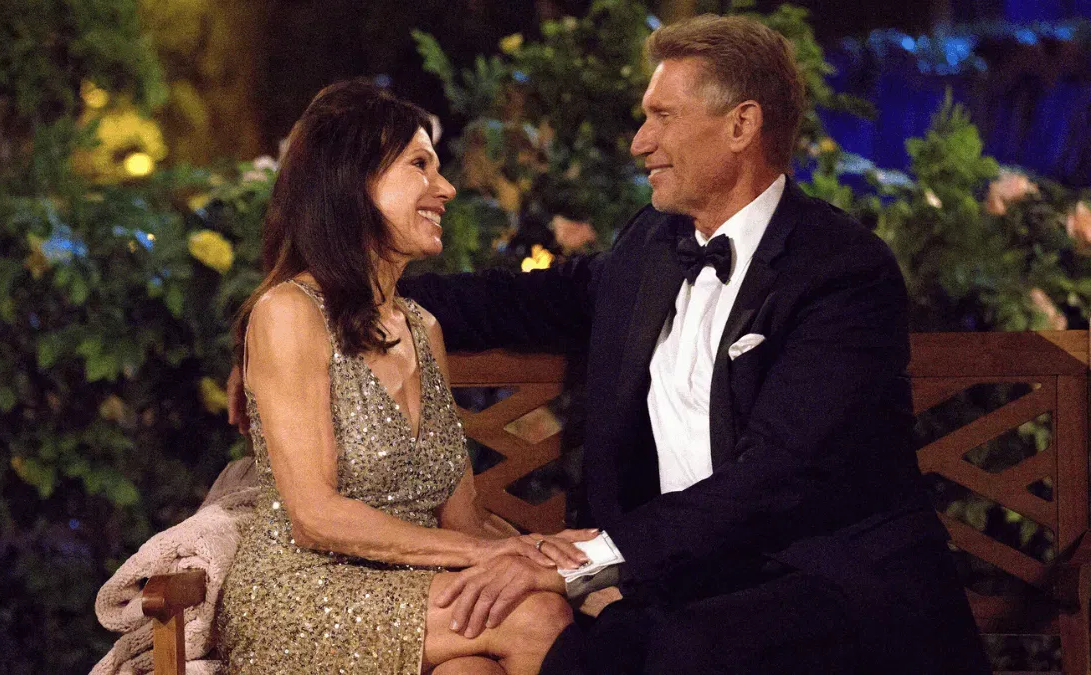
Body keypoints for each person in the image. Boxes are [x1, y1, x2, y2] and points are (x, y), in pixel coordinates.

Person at [394, 15, 992, 675]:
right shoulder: (652, 246)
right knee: (491, 646)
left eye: (663, 117)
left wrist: (590, 560)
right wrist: (349, 292)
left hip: (819, 580)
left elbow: (778, 476)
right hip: (682, 579)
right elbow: (521, 301)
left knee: (598, 651)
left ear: (741, 125)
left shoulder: (842, 271)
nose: (640, 141)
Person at [217, 80, 598, 675]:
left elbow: (462, 517)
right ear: (352, 182)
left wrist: (537, 551)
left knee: (472, 669)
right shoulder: (288, 313)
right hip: (305, 592)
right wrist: (493, 555)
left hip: (414, 581)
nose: (445, 188)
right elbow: (315, 517)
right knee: (535, 614)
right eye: (420, 165)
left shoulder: (423, 328)